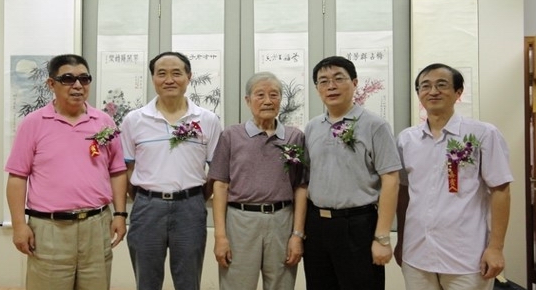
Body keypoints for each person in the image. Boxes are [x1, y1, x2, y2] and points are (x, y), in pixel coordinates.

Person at [5, 54, 129, 290]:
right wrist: (19, 225)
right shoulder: (33, 123)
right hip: (49, 228)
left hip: (96, 225)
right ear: (51, 84)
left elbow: (117, 171)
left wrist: (120, 214)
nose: (78, 85)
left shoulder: (104, 121)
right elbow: (17, 177)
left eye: (84, 78)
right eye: (68, 79)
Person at [396, 63, 513, 290]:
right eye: (425, 86)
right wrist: (401, 241)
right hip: (417, 253)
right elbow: (403, 193)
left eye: (441, 85)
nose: (433, 91)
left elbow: (501, 190)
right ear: (418, 93)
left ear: (458, 92)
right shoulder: (406, 139)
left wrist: (496, 248)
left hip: (467, 257)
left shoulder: (482, 134)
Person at [120, 51, 222, 290]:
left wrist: (194, 198)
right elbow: (128, 168)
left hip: (190, 208)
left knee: (188, 281)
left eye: (176, 73)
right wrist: (146, 197)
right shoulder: (134, 120)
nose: (169, 80)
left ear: (189, 77)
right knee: (147, 281)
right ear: (153, 78)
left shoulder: (207, 120)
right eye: (161, 74)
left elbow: (215, 171)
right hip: (147, 208)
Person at [303, 55, 400, 290]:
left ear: (355, 83)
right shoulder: (312, 127)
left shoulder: (375, 125)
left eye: (339, 78)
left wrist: (382, 237)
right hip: (316, 225)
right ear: (317, 88)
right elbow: (306, 179)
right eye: (323, 81)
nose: (331, 86)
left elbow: (391, 179)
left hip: (358, 225)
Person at [209, 72, 307, 290]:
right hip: (241, 221)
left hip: (282, 220)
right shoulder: (231, 135)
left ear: (281, 99)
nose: (267, 101)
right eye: (260, 95)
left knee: (282, 285)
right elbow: (221, 185)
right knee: (237, 285)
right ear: (248, 100)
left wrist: (297, 235)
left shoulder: (295, 137)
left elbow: (300, 187)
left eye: (274, 95)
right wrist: (220, 236)